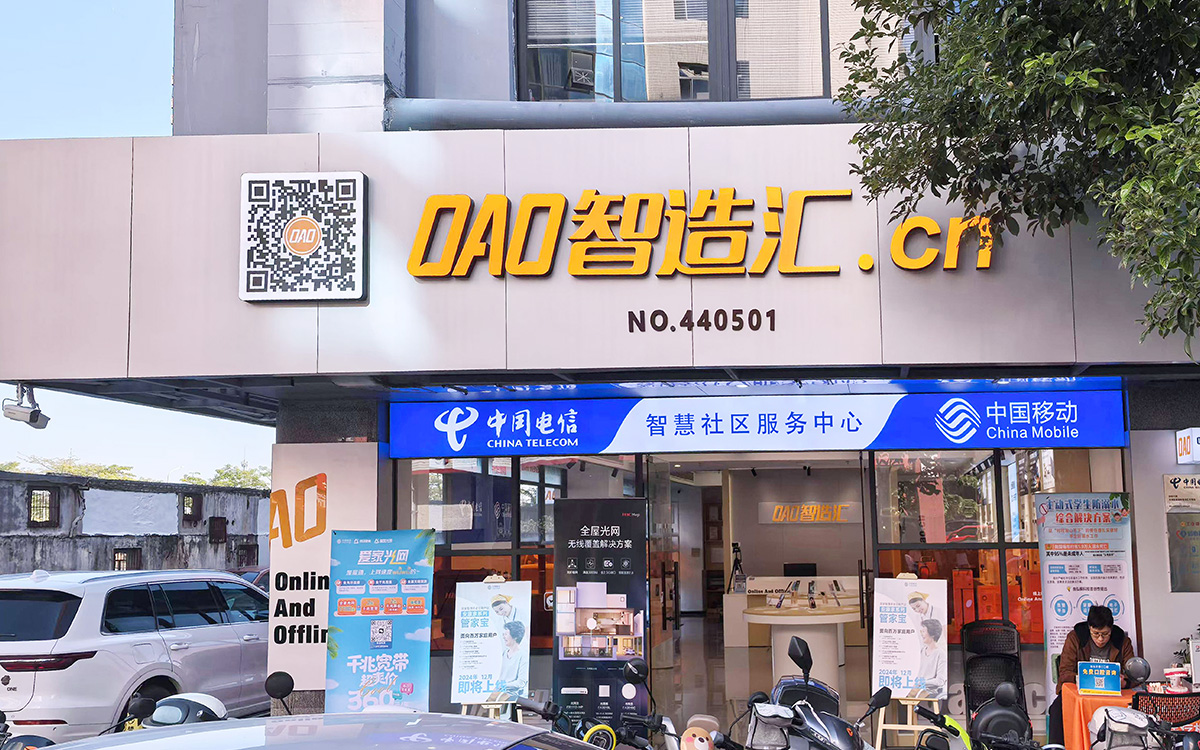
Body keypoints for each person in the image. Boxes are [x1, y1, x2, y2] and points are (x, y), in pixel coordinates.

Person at [1047, 605, 1136, 745]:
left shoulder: (1122, 641)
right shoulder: (1075, 638)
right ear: (1089, 628)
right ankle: (1057, 747)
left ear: (1111, 630)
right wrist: (1084, 679)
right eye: (1096, 634)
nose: (1100, 639)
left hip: (1112, 694)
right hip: (1080, 691)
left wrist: (1124, 682)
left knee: (1137, 706)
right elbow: (1065, 672)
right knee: (1057, 709)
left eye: (1105, 634)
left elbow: (1134, 673)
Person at [911, 619, 948, 699]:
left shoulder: (941, 654)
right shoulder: (921, 652)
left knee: (909, 694)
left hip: (929, 691)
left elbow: (940, 681)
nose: (922, 634)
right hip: (916, 688)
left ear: (932, 634)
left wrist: (922, 682)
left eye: (924, 631)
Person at [496, 620, 529, 698]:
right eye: (503, 634)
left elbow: (521, 682)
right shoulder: (503, 654)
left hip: (512, 696)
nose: (504, 637)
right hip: (498, 693)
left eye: (506, 634)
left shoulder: (523, 656)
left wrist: (502, 685)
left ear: (515, 637)